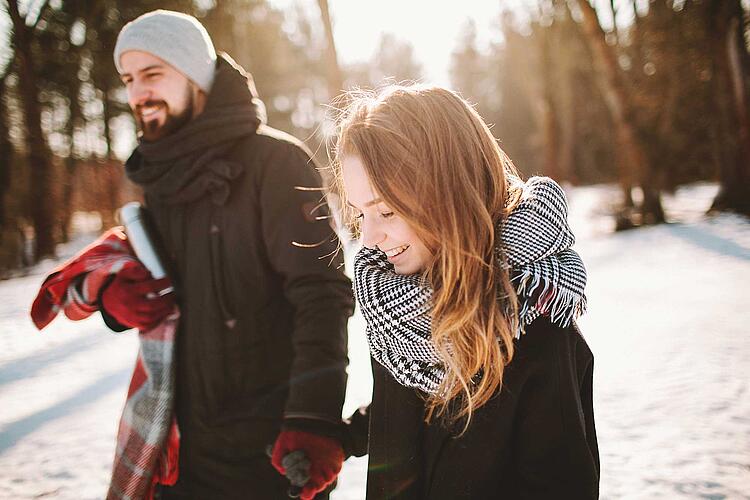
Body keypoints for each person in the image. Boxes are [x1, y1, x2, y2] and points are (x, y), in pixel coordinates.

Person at [103, 10, 354, 499]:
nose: (138, 93)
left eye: (152, 74)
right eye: (129, 79)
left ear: (196, 76)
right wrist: (117, 304)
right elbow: (168, 295)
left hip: (271, 455)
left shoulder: (275, 163)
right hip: (179, 451)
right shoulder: (160, 179)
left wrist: (313, 417)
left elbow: (321, 295)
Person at [331, 85, 600, 499]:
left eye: (385, 211)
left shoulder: (534, 325)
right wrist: (343, 440)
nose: (368, 238)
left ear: (450, 192)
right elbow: (412, 408)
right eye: (360, 213)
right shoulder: (394, 308)